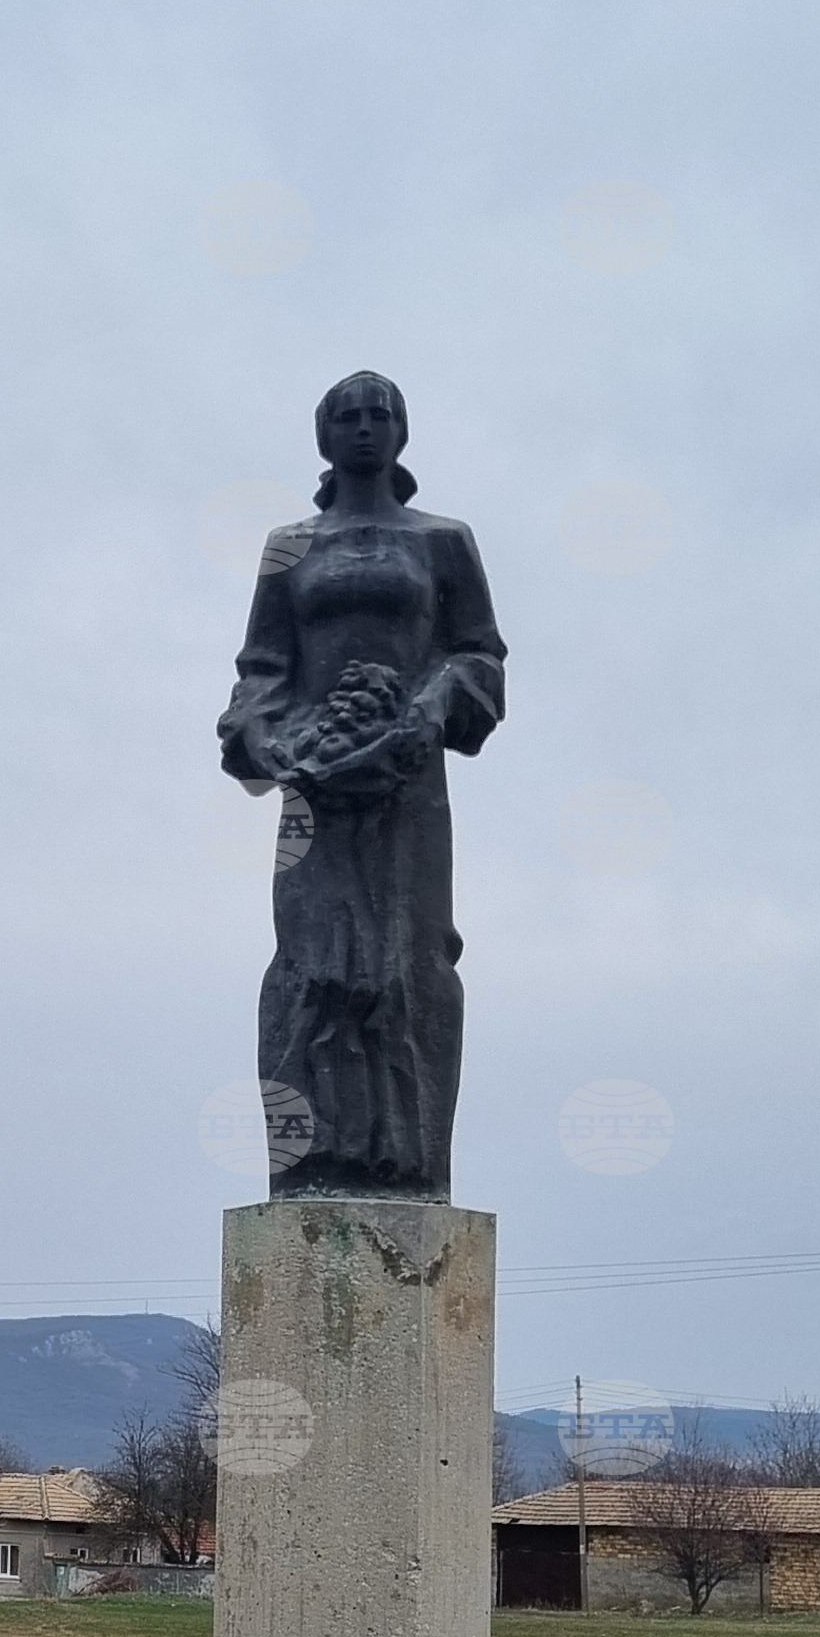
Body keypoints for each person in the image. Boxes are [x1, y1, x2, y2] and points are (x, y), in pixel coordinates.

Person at [214, 371, 506, 1200]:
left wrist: (431, 707)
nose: (366, 427)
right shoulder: (290, 546)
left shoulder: (444, 541)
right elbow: (261, 671)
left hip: (409, 785)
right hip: (315, 787)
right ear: (325, 436)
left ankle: (411, 1164)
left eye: (382, 415)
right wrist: (265, 737)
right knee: (312, 963)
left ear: (402, 432)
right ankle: (310, 1160)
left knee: (412, 960)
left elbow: (481, 657)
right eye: (349, 417)